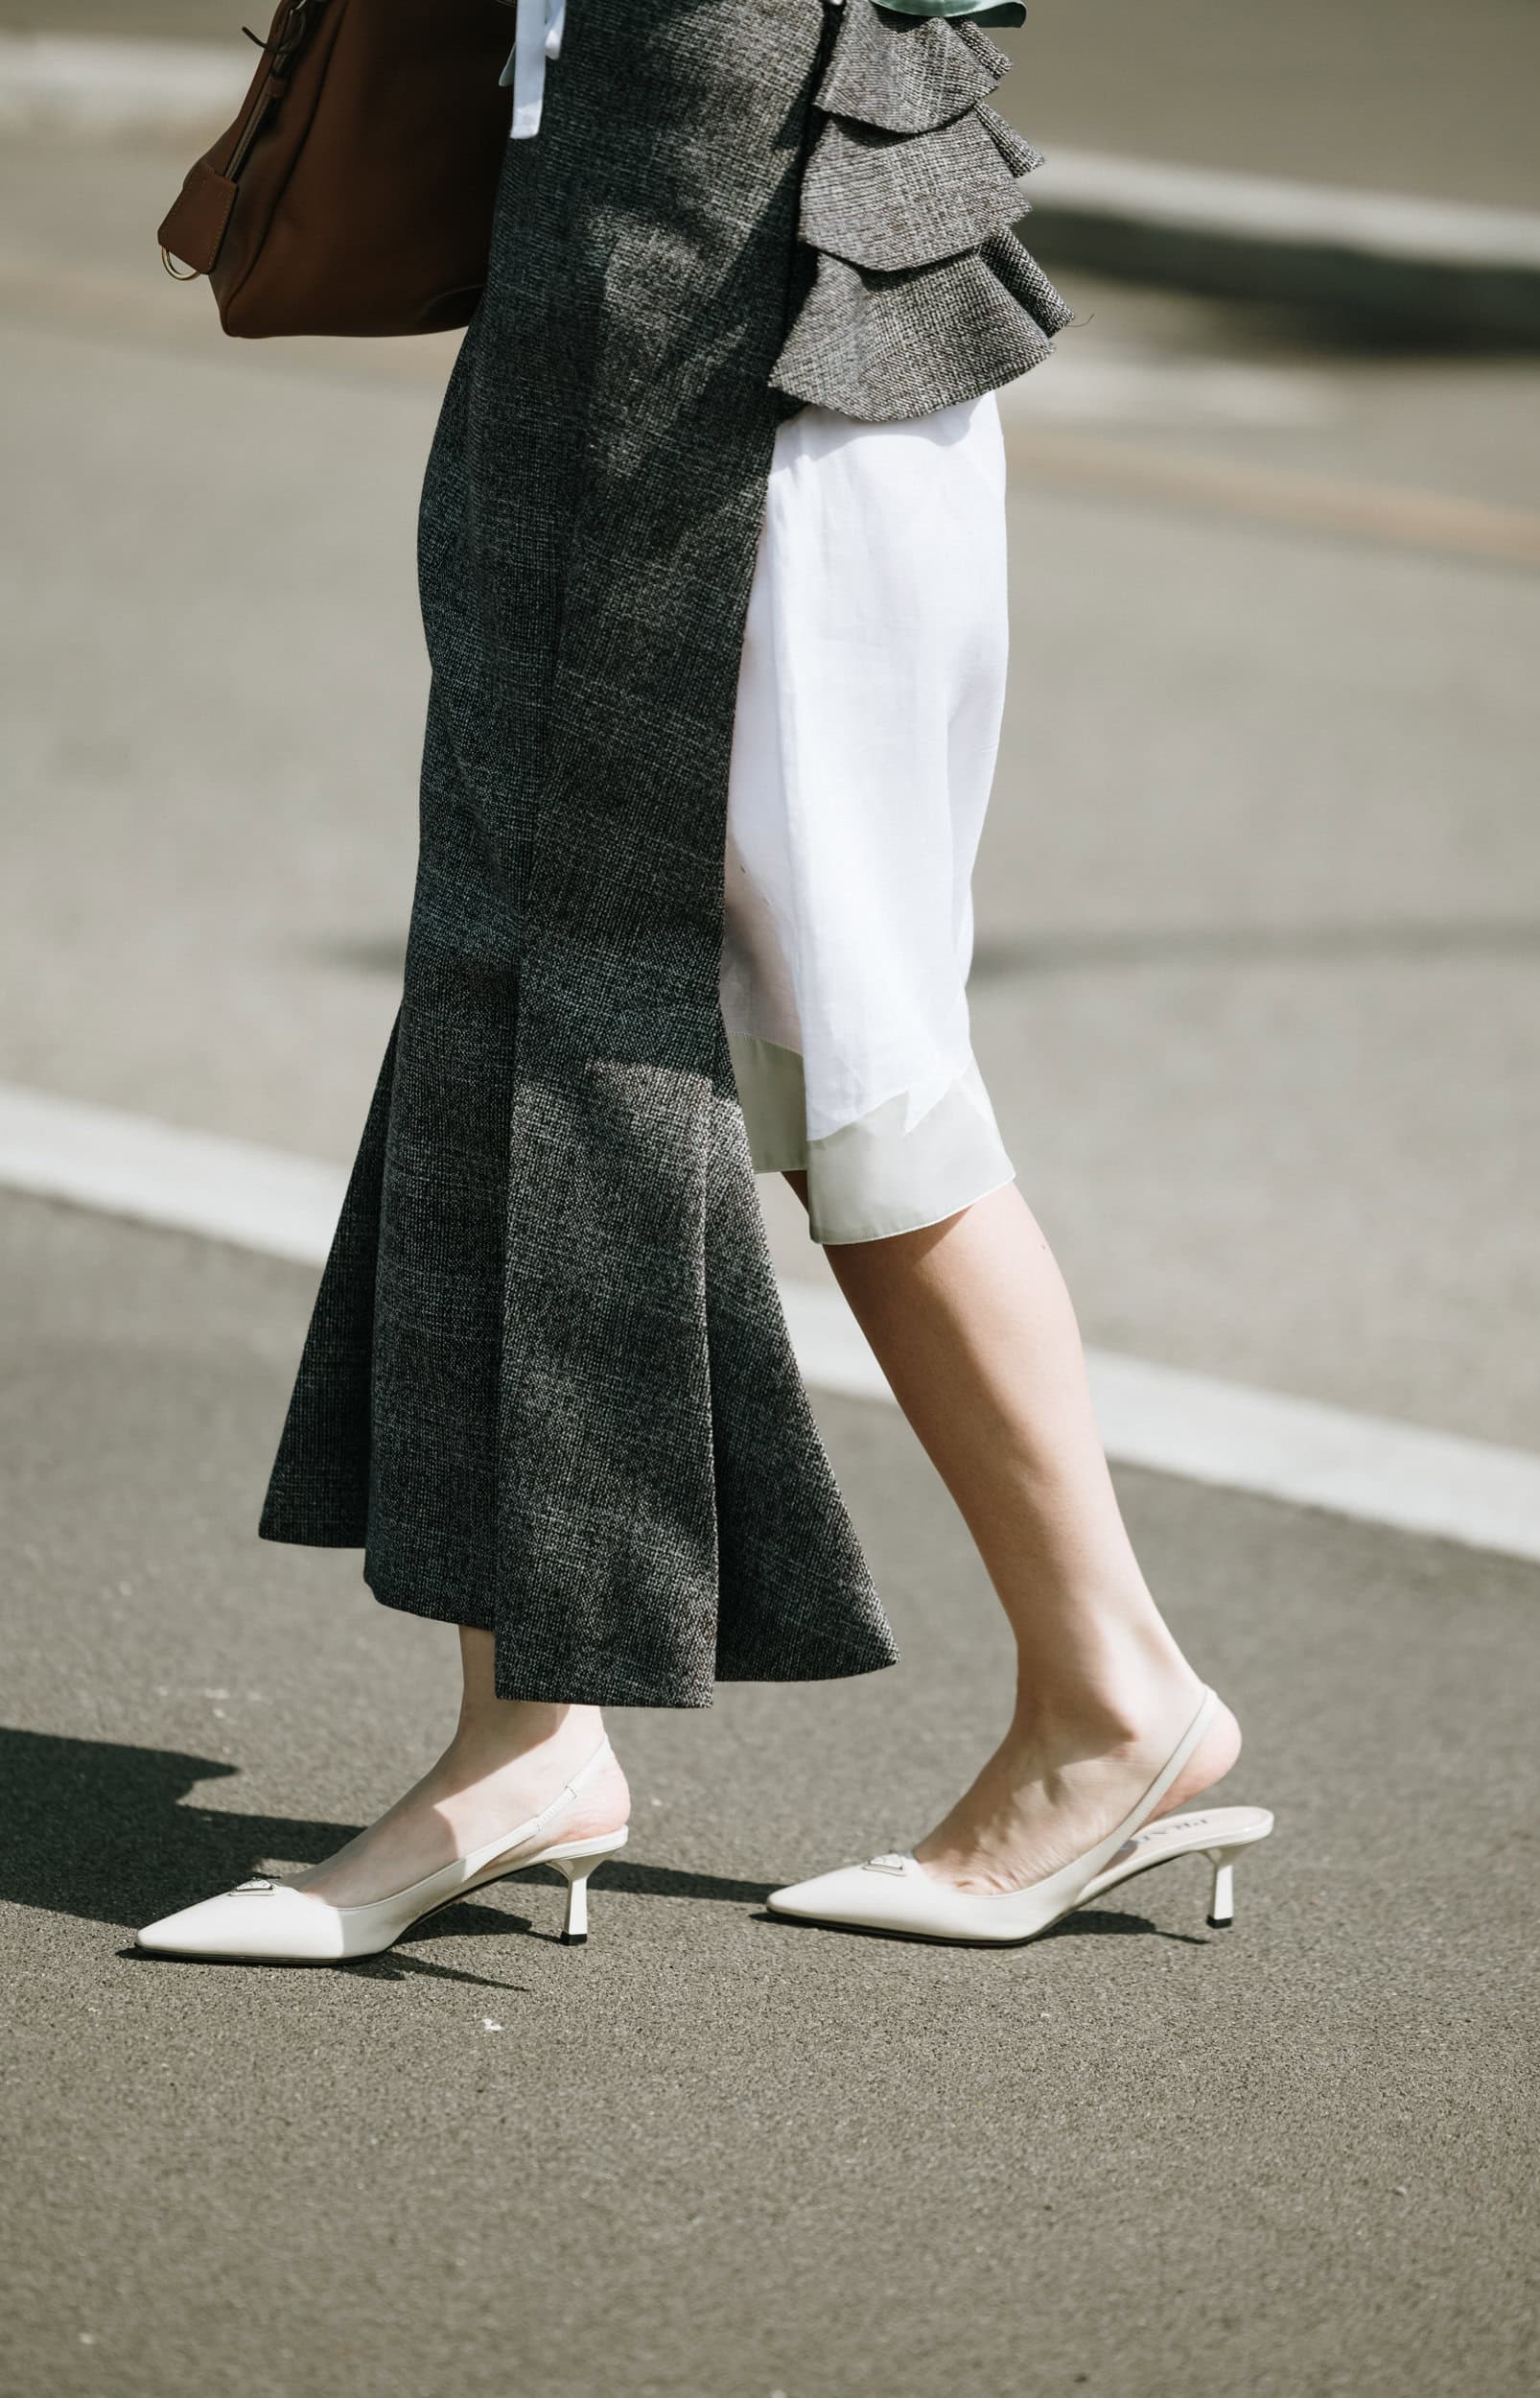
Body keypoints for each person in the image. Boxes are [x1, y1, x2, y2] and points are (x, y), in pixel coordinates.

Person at [136, 0, 1270, 1965]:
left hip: (734, 388)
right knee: (600, 1022)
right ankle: (546, 1735)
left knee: (785, 1065)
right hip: (687, 346)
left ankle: (1104, 1700)